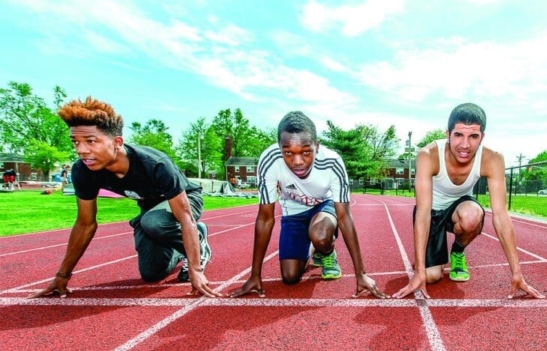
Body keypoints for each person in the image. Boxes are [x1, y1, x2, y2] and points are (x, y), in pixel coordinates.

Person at [29, 97, 220, 298]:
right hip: (151, 208)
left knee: (153, 221)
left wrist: (195, 270)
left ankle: (198, 244)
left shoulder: (155, 164)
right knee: (151, 273)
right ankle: (180, 247)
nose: (81, 150)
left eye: (91, 141)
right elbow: (85, 224)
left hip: (186, 200)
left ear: (117, 142)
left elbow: (185, 217)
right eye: (76, 142)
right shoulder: (83, 170)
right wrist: (62, 275)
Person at [394, 103, 543, 299]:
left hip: (461, 207)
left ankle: (457, 252)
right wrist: (419, 270)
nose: (465, 145)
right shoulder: (428, 155)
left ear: (482, 137)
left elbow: (500, 215)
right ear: (447, 134)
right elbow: (422, 212)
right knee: (430, 277)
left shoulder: (492, 159)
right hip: (432, 210)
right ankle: (428, 263)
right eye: (458, 135)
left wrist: (517, 273)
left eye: (473, 136)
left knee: (472, 215)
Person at [230, 111, 386, 299]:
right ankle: (314, 248)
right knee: (290, 277)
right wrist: (255, 275)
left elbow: (344, 217)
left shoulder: (332, 162)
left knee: (320, 235)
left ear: (316, 146)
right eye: (288, 152)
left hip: (324, 207)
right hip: (293, 212)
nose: (297, 162)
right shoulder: (269, 161)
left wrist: (360, 274)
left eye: (306, 152)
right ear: (279, 148)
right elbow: (265, 218)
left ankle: (327, 250)